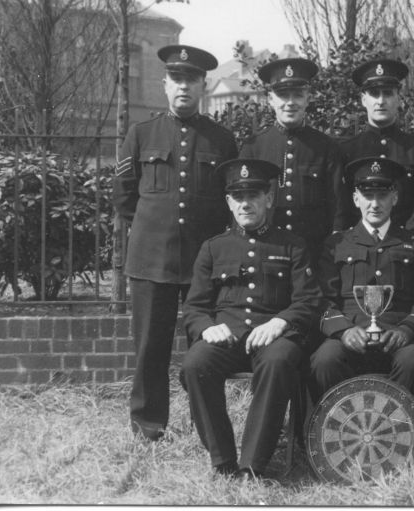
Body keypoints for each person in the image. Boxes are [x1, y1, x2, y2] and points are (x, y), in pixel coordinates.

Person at [112, 45, 238, 441]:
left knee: (206, 350)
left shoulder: (222, 140)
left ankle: (207, 426)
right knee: (151, 347)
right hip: (152, 259)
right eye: (177, 79)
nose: (184, 86)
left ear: (203, 85)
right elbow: (123, 195)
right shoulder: (141, 134)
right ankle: (148, 425)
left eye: (192, 80)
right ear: (166, 84)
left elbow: (231, 198)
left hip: (205, 262)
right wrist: (155, 227)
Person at [180, 158, 321, 480]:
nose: (246, 204)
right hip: (227, 336)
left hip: (274, 337)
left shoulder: (292, 245)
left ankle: (252, 464)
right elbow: (194, 307)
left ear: (268, 199)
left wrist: (280, 322)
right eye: (238, 197)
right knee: (194, 365)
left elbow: (309, 300)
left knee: (279, 361)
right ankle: (223, 460)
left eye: (253, 196)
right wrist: (206, 327)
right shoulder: (213, 248)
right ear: (229, 202)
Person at [310, 157, 414, 404]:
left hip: (397, 334)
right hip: (350, 332)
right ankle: (344, 426)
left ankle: (396, 431)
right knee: (325, 360)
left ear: (394, 198)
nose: (375, 204)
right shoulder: (337, 244)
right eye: (368, 196)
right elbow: (321, 298)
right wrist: (343, 331)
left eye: (382, 196)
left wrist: (407, 330)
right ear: (356, 199)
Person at [238, 57, 346, 262]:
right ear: (270, 99)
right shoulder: (253, 147)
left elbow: (337, 206)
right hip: (265, 252)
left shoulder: (326, 147)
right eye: (282, 95)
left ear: (308, 98)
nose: (290, 102)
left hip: (312, 253)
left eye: (297, 95)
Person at [337, 59, 414, 235]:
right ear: (363, 99)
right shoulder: (347, 150)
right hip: (358, 247)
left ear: (398, 98)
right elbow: (341, 204)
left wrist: (407, 239)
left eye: (388, 93)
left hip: (405, 246)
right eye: (374, 94)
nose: (381, 101)